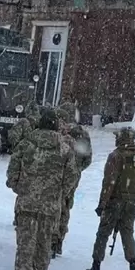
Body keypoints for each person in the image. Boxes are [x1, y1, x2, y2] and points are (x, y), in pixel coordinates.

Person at [6, 108, 78, 270]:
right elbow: (72, 176)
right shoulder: (64, 147)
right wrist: (60, 193)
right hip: (50, 205)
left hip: (27, 202)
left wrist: (19, 187)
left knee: (25, 244)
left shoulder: (26, 143)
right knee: (44, 244)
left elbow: (13, 167)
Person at [84, 127, 135, 270]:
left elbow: (109, 183)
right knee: (127, 234)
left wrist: (102, 204)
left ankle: (96, 267)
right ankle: (133, 266)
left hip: (115, 202)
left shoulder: (115, 156)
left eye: (117, 137)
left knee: (103, 232)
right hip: (132, 203)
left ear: (122, 138)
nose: (115, 139)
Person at [51, 102, 92, 257]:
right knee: (65, 207)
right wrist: (77, 170)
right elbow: (88, 159)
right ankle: (59, 241)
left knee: (53, 205)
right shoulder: (82, 134)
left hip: (54, 175)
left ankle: (51, 239)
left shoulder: (58, 131)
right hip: (72, 178)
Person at [8, 100, 41, 226]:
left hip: (23, 160)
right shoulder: (41, 124)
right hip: (38, 160)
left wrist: (18, 147)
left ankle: (19, 217)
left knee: (23, 190)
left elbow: (13, 137)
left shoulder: (23, 122)